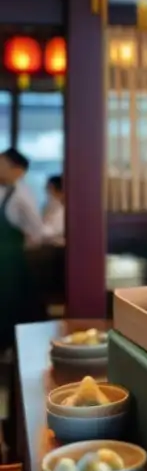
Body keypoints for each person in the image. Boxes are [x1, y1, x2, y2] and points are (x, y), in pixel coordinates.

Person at [0, 148, 44, 350]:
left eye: (2, 164)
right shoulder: (5, 191)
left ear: (18, 169)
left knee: (9, 308)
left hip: (10, 264)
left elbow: (37, 232)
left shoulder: (22, 194)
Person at [41, 174, 65, 245]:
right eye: (46, 189)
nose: (47, 193)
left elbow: (54, 231)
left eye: (50, 189)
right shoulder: (47, 208)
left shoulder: (64, 211)